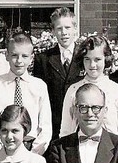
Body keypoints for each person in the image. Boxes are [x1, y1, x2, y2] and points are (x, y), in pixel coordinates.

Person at [0, 30, 53, 156]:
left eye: (24, 56)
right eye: (14, 55)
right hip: (2, 147)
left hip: (31, 148)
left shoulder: (39, 86)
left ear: (31, 58)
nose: (19, 61)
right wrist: (1, 153)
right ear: (7, 55)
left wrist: (32, 155)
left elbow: (45, 128)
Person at [59, 35, 118, 138]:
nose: (92, 65)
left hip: (111, 146)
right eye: (87, 59)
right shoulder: (73, 90)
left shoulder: (117, 91)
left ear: (106, 59)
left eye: (97, 59)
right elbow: (65, 130)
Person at [32, 7, 85, 135]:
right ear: (53, 31)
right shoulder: (43, 59)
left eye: (67, 28)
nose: (64, 32)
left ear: (75, 29)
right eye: (59, 28)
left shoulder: (85, 57)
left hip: (81, 124)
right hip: (54, 126)